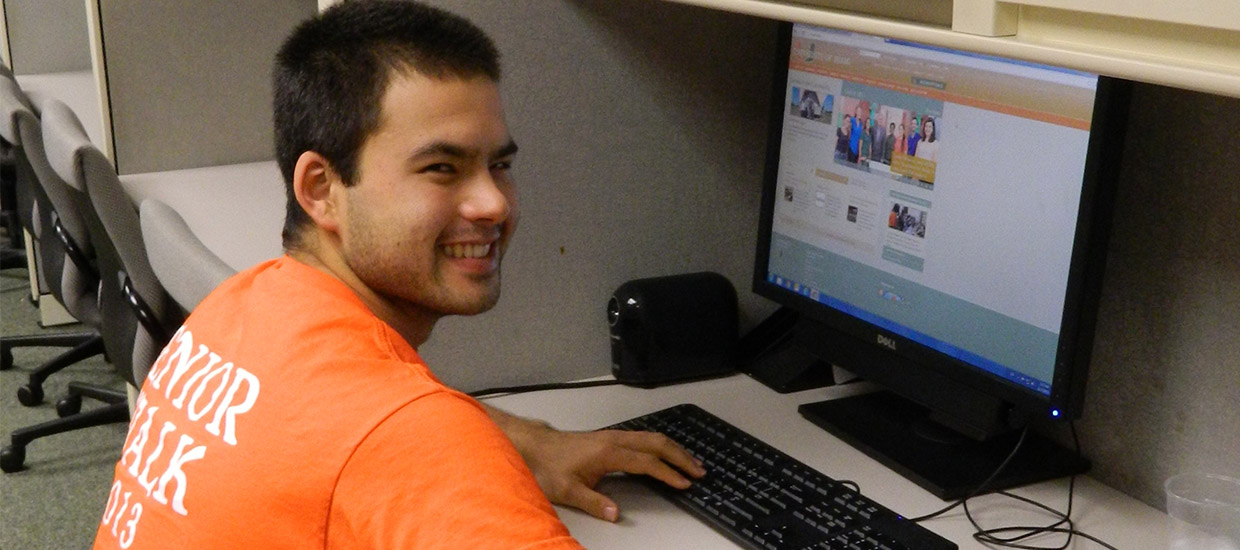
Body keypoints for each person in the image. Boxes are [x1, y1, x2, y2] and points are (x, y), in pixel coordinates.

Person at [91, 2, 702, 549]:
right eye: (441, 167)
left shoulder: (236, 308)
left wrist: (525, 438)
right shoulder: (411, 440)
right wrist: (464, 452)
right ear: (321, 190)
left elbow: (339, 429)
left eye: (500, 163)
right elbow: (392, 441)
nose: (494, 203)